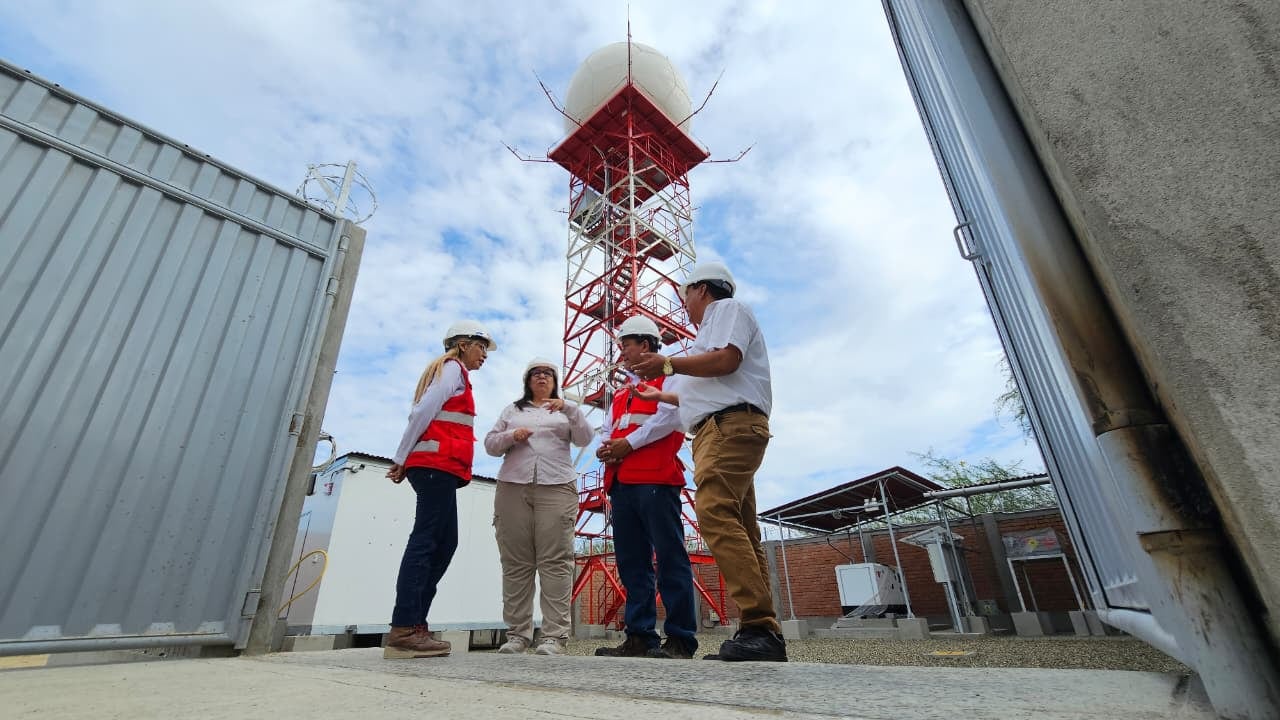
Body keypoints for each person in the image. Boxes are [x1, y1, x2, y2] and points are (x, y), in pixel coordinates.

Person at [628, 261, 786, 662]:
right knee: (743, 528)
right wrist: (660, 394)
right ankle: (762, 631)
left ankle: (758, 625)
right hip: (722, 428)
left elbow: (726, 360)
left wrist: (667, 364)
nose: (684, 306)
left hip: (728, 428)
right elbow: (705, 388)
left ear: (701, 289)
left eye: (685, 297)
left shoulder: (727, 310)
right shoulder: (705, 337)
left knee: (714, 512)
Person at [383, 320, 496, 659]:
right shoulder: (452, 370)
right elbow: (422, 412)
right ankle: (405, 628)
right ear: (463, 345)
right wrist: (401, 457)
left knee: (445, 542)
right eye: (481, 347)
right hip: (435, 466)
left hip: (440, 468)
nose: (484, 355)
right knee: (427, 540)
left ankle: (415, 624)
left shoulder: (455, 374)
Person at [592, 316, 699, 660]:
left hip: (655, 478)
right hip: (622, 482)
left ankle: (681, 638)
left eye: (626, 344)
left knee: (670, 557)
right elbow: (609, 429)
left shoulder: (672, 376)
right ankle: (639, 636)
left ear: (646, 344)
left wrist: (628, 444)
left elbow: (670, 418)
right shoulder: (622, 392)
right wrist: (607, 448)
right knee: (632, 562)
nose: (621, 352)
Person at [484, 357, 594, 655]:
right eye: (536, 373)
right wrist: (512, 435)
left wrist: (570, 409)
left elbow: (585, 437)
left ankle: (554, 636)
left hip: (557, 485)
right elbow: (490, 445)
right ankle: (517, 635)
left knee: (555, 560)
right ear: (527, 380)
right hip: (513, 486)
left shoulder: (566, 411)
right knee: (516, 562)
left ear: (555, 381)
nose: (542, 377)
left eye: (548, 373)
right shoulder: (512, 410)